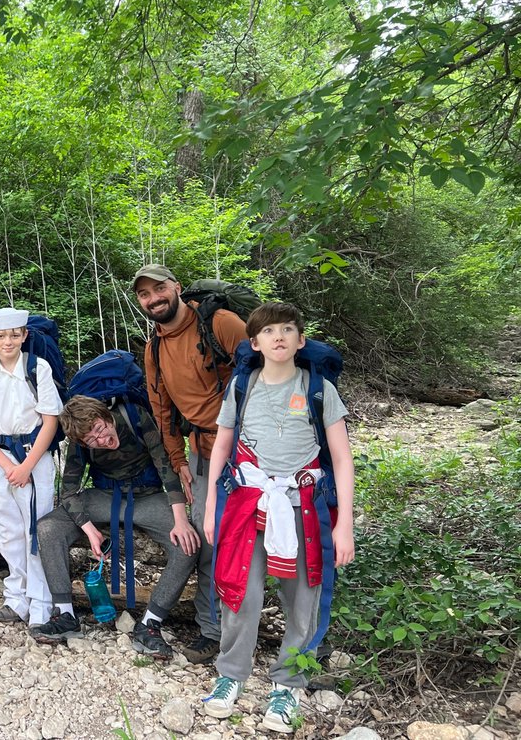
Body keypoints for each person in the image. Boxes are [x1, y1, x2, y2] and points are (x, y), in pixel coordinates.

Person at [201, 302, 355, 733]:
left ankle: (288, 684)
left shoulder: (319, 388)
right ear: (255, 342)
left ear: (300, 340)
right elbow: (221, 447)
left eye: (288, 329)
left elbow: (342, 459)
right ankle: (230, 676)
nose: (279, 336)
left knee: (302, 598)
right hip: (248, 502)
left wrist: (345, 524)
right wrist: (212, 506)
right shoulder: (241, 386)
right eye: (269, 331)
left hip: (303, 504)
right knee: (241, 592)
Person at [135, 263, 245, 664]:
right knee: (207, 538)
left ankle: (297, 641)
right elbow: (161, 411)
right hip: (201, 451)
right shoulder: (155, 348)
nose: (154, 298)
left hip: (249, 447)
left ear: (176, 287)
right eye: (145, 295)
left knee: (266, 538)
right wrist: (179, 458)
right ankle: (212, 630)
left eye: (159, 289)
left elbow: (266, 378)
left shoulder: (221, 323)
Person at [30, 395, 199, 653]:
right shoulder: (81, 441)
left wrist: (181, 520)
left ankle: (149, 623)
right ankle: (64, 614)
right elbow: (69, 493)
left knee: (188, 545)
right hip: (106, 496)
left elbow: (165, 467)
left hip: (147, 497)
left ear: (106, 416)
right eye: (92, 441)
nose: (102, 440)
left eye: (100, 429)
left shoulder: (135, 417)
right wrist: (89, 530)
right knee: (47, 528)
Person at [0, 307, 62, 630]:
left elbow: (50, 420)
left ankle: (41, 601)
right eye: (1, 335)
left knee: (37, 528)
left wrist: (27, 466)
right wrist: (8, 465)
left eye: (14, 335)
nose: (7, 341)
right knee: (6, 528)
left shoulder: (39, 368)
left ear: (24, 336)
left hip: (34, 458)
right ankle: (16, 595)